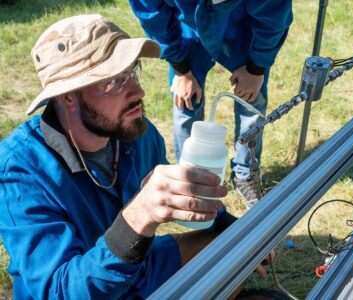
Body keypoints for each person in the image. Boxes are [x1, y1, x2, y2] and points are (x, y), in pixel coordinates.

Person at [0, 14, 274, 299]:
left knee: (232, 253)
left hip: (140, 271)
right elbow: (60, 291)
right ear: (68, 97)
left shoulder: (136, 134)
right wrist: (139, 216)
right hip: (83, 290)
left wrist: (241, 231)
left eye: (132, 72)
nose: (138, 91)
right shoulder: (19, 171)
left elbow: (176, 196)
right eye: (115, 81)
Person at [129, 0, 293, 208]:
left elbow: (273, 16)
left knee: (251, 95)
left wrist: (256, 67)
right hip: (188, 23)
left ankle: (245, 173)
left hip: (244, 22)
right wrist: (180, 67)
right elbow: (151, 14)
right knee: (185, 98)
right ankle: (188, 177)